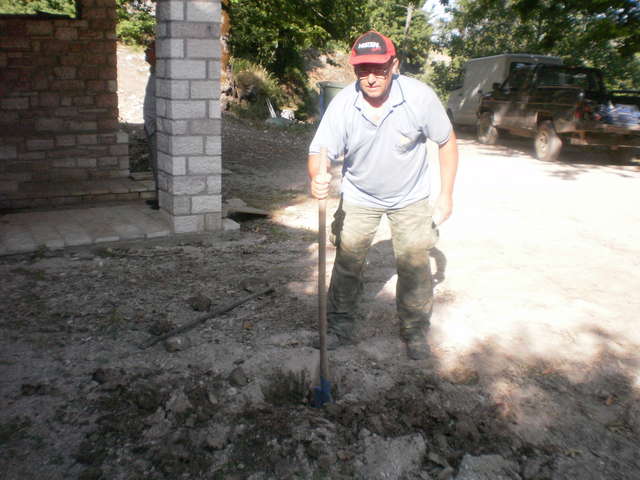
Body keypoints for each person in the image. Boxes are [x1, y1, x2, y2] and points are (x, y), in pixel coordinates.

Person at [307, 31, 459, 360]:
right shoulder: (343, 104)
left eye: (379, 68)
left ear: (394, 65)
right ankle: (339, 327)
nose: (372, 78)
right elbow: (320, 151)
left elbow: (446, 141)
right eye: (363, 69)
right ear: (354, 69)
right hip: (360, 196)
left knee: (415, 265)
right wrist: (317, 176)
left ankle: (414, 329)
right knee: (348, 263)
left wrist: (446, 194)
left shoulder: (419, 98)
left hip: (410, 197)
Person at [143, 40, 159, 210]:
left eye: (150, 49)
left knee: (160, 164)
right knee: (154, 164)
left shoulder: (161, 75)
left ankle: (163, 198)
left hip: (156, 128)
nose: (146, 51)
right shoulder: (154, 72)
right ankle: (159, 196)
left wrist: (155, 126)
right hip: (151, 127)